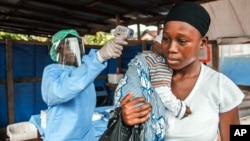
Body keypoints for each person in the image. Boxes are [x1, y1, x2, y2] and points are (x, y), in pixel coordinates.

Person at [115, 2, 245, 141]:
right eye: (166, 39)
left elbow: (236, 135)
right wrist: (123, 119)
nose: (171, 48)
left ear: (202, 43)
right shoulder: (146, 79)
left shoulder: (220, 85)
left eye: (182, 41)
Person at [41, 29, 127, 141]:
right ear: (58, 50)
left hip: (86, 136)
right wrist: (99, 57)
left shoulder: (85, 73)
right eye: (68, 47)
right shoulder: (52, 72)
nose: (73, 50)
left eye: (76, 45)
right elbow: (62, 90)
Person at [113, 31, 191, 141]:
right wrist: (180, 108)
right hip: (135, 105)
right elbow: (162, 91)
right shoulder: (159, 62)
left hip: (124, 101)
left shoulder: (145, 56)